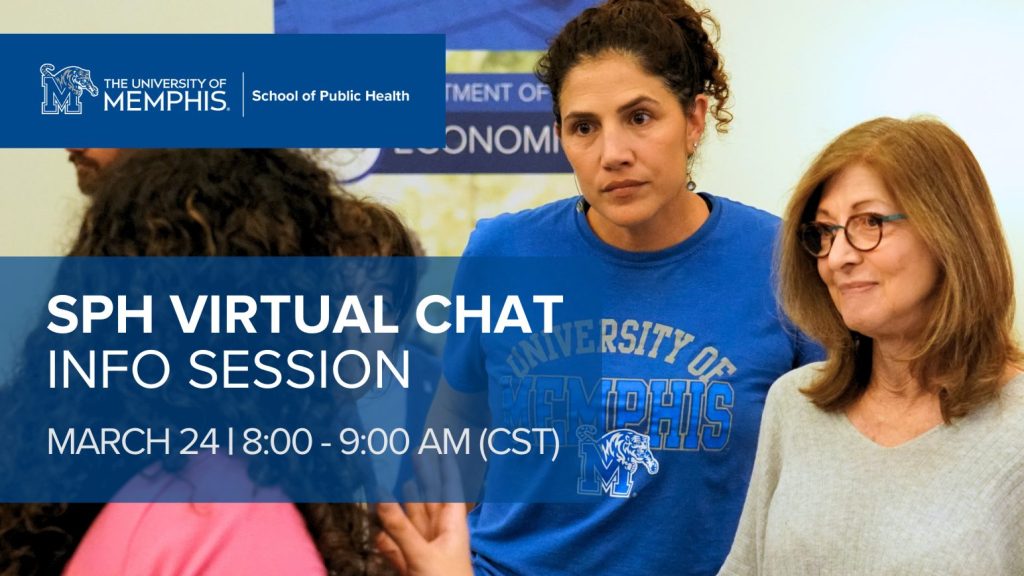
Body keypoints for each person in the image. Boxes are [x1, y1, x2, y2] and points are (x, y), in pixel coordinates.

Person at [383, 1, 820, 574]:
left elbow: (832, 456)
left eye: (639, 117)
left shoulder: (783, 260)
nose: (612, 154)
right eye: (584, 127)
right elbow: (458, 424)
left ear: (694, 120)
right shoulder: (503, 252)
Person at [0, 148, 423, 576]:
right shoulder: (232, 509)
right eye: (323, 291)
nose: (348, 323)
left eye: (379, 305)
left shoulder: (151, 478)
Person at [719, 117, 1024, 574]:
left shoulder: (1015, 429)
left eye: (870, 222)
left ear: (950, 233)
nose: (838, 257)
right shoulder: (794, 404)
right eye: (825, 232)